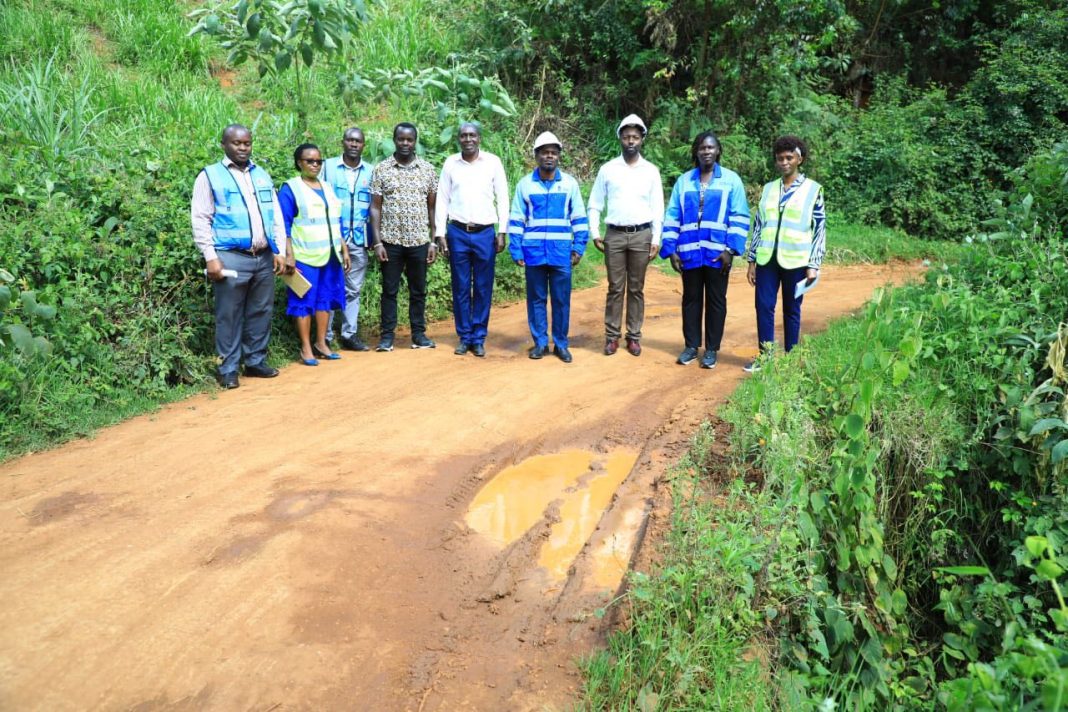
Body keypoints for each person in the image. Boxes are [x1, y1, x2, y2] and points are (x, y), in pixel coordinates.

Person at [191, 123, 288, 390]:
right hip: (230, 257)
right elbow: (200, 218)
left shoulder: (261, 175)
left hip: (263, 256)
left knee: (261, 311)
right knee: (230, 314)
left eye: (247, 143)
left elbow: (275, 215)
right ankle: (228, 368)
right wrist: (210, 256)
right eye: (237, 143)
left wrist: (279, 250)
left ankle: (255, 361)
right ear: (224, 144)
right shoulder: (210, 176)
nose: (243, 148)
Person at [659, 131, 750, 369]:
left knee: (716, 301)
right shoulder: (684, 181)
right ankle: (691, 346)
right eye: (702, 148)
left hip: (718, 254)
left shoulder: (731, 180)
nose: (706, 151)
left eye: (710, 147)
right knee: (691, 299)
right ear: (696, 151)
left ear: (718, 151)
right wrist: (671, 249)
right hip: (689, 252)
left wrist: (731, 250)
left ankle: (711, 349)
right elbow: (672, 215)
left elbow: (739, 216)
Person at [743, 135, 826, 372]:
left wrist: (814, 264)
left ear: (800, 159)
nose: (784, 162)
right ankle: (765, 357)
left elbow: (819, 228)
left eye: (789, 157)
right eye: (780, 158)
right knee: (763, 306)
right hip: (767, 259)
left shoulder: (813, 190)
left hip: (796, 261)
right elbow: (759, 225)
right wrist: (752, 260)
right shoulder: (769, 189)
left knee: (792, 309)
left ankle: (790, 360)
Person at [508, 131, 590, 363]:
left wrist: (578, 248)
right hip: (533, 252)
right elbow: (516, 219)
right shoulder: (525, 185)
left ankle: (561, 344)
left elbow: (579, 218)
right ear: (536, 155)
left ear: (559, 156)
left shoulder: (569, 184)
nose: (549, 156)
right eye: (545, 152)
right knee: (536, 299)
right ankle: (540, 343)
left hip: (561, 253)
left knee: (561, 300)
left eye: (553, 152)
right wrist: (516, 249)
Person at [588, 114, 664, 357]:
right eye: (626, 136)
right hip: (615, 235)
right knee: (615, 287)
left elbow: (658, 208)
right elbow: (595, 204)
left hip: (642, 234)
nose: (631, 141)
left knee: (636, 288)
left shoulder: (651, 171)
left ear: (642, 139)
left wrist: (656, 238)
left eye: (635, 137)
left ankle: (634, 336)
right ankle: (612, 336)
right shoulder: (608, 169)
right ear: (620, 138)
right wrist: (595, 232)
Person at [434, 122, 510, 358]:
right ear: (458, 139)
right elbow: (442, 199)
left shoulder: (493, 162)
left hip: (485, 233)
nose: (468, 139)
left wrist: (502, 231)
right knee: (460, 286)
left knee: (483, 287)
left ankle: (478, 337)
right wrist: (440, 233)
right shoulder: (451, 163)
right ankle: (464, 336)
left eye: (472, 135)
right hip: (457, 232)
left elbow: (503, 196)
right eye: (464, 135)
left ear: (479, 138)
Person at [278, 143, 350, 366]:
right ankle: (306, 347)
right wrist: (288, 255)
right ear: (299, 163)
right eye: (310, 161)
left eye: (319, 161)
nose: (315, 165)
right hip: (304, 256)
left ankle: (321, 343)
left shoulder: (327, 187)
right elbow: (283, 225)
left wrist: (344, 248)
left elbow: (336, 221)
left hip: (330, 255)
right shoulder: (291, 189)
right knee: (303, 300)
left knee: (324, 300)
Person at [368, 122, 439, 351]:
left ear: (415, 141)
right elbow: (375, 207)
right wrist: (377, 242)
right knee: (389, 291)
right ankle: (387, 337)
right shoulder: (382, 169)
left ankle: (418, 335)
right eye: (401, 139)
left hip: (419, 241)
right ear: (394, 140)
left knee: (418, 290)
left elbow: (432, 208)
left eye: (410, 139)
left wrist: (433, 241)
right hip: (390, 242)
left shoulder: (427, 170)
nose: (405, 143)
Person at [322, 127, 374, 352]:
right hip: (332, 237)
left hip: (359, 239)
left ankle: (349, 334)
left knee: (353, 289)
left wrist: (374, 239)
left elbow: (375, 206)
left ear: (363, 145)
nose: (354, 144)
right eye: (350, 140)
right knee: (329, 285)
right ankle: (324, 336)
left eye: (358, 141)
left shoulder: (371, 171)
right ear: (342, 142)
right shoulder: (327, 167)